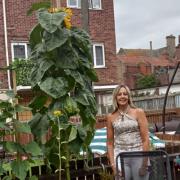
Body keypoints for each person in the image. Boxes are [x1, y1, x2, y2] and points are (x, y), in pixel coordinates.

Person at [107, 84, 150, 180]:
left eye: (125, 94)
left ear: (129, 97)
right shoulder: (110, 116)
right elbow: (110, 143)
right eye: (119, 94)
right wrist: (113, 165)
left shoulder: (139, 112)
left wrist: (144, 163)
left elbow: (145, 140)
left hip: (138, 155)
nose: (122, 96)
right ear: (115, 97)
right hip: (120, 156)